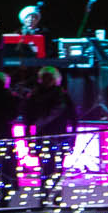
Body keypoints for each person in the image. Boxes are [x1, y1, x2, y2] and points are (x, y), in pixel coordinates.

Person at [24, 66, 78, 195]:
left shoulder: (34, 95)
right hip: (59, 136)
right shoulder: (62, 95)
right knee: (57, 167)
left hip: (42, 136)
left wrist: (29, 140)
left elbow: (28, 119)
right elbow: (74, 118)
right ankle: (56, 196)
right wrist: (72, 139)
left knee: (44, 167)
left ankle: (45, 195)